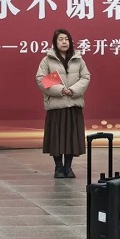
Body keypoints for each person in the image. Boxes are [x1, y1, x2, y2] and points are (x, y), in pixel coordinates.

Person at [36, 29, 90, 179]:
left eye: (67, 39)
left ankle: (68, 167)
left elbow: (85, 77)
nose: (64, 42)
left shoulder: (78, 59)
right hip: (56, 106)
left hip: (73, 104)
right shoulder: (47, 60)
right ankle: (58, 167)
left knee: (72, 138)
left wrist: (72, 90)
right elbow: (41, 79)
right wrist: (61, 90)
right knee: (57, 138)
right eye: (60, 39)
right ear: (55, 42)